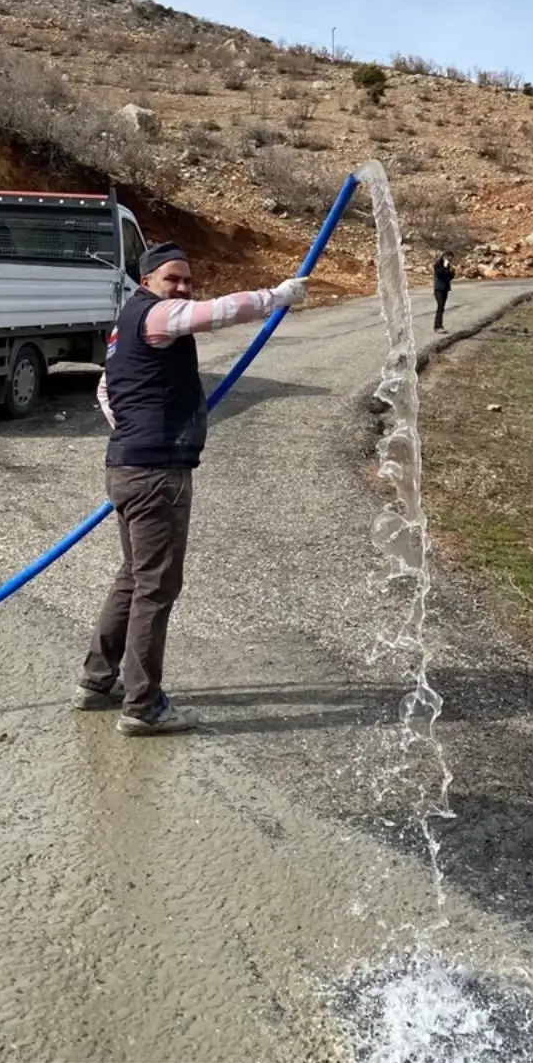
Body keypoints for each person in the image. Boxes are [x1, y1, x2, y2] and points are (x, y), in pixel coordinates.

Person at [73, 243, 307, 735]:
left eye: (187, 280)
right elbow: (216, 313)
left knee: (134, 576)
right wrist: (277, 296)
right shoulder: (157, 315)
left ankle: (97, 681)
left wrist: (133, 430)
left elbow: (105, 389)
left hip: (128, 466)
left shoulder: (124, 326)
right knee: (155, 586)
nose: (181, 287)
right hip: (157, 475)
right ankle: (143, 706)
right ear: (147, 282)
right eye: (171, 279)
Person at [433, 252, 455, 331]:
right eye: (449, 258)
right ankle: (437, 327)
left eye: (451, 259)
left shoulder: (448, 265)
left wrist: (452, 272)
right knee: (440, 306)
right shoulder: (437, 264)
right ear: (444, 257)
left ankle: (440, 325)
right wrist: (445, 266)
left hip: (445, 289)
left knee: (442, 308)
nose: (450, 260)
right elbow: (439, 274)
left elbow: (449, 277)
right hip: (438, 289)